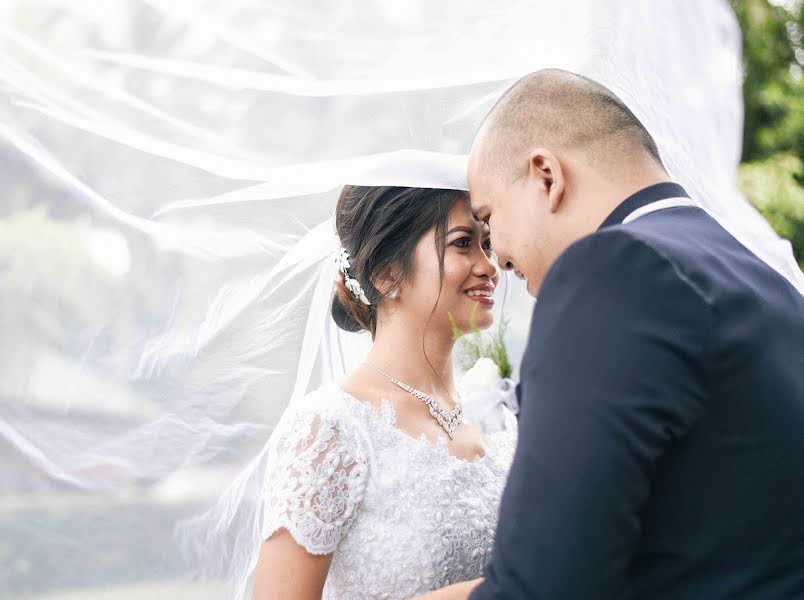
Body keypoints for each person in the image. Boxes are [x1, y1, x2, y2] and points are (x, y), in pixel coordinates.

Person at [461, 69, 804, 599]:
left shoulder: (612, 270)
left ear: (546, 176)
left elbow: (544, 587)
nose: (497, 256)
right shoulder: (769, 284)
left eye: (488, 219)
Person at [251, 185, 517, 599]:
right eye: (463, 243)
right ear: (386, 274)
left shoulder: (497, 415)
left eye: (487, 243)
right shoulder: (331, 430)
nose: (490, 266)